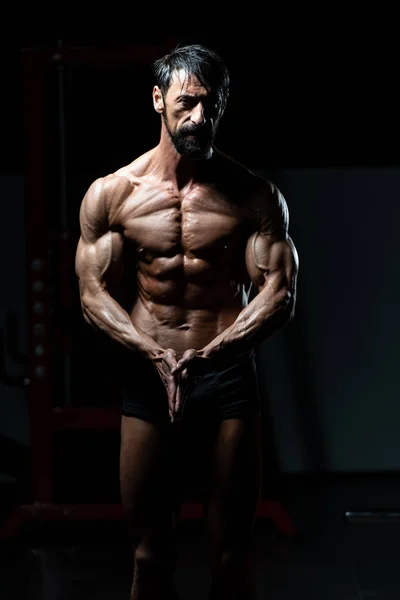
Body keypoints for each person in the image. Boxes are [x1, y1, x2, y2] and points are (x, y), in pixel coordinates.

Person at [75, 43, 299, 600]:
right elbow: (90, 293)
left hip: (224, 382)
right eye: (187, 103)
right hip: (149, 381)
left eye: (211, 105)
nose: (200, 118)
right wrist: (153, 354)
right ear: (158, 100)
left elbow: (280, 293)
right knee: (149, 557)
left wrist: (210, 354)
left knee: (229, 557)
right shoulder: (113, 195)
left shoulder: (253, 197)